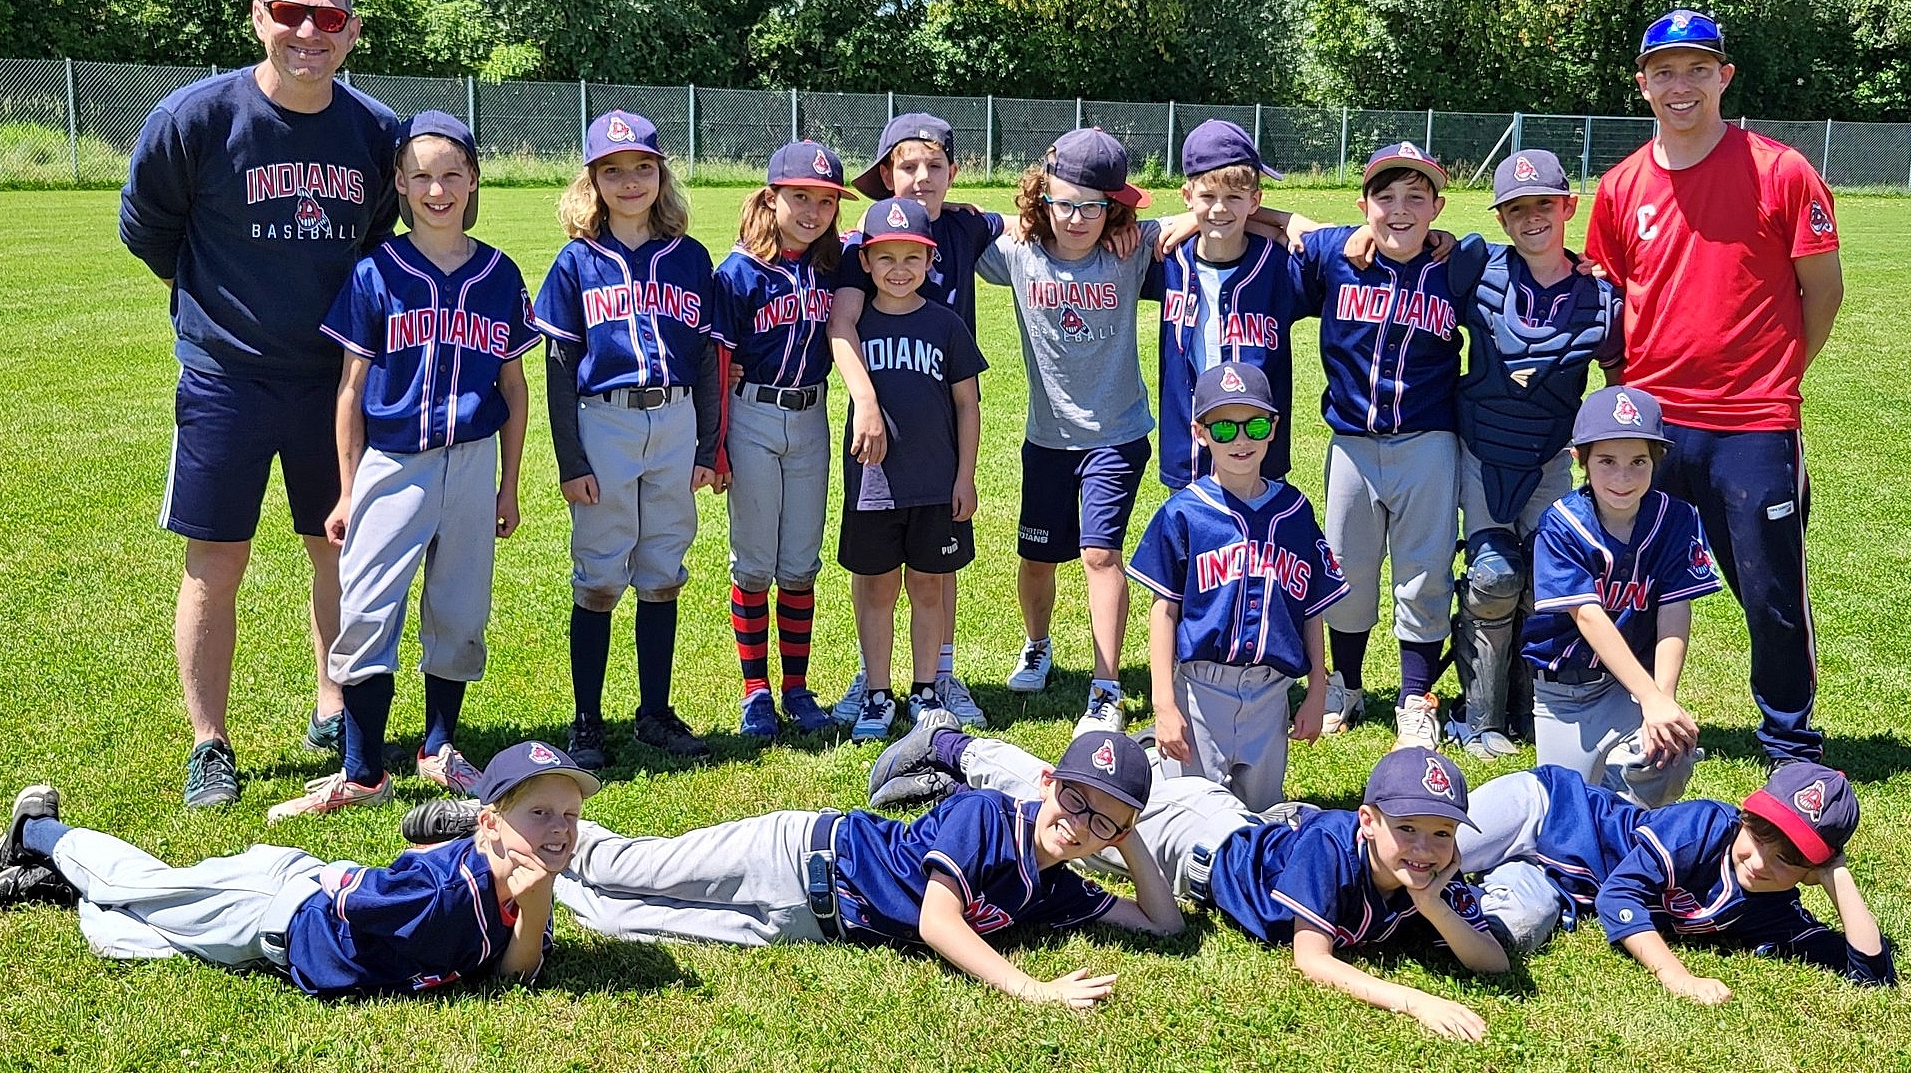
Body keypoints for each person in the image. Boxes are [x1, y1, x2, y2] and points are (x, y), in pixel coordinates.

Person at [118, 0, 399, 807]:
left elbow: (381, 241)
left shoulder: (376, 131)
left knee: (337, 545)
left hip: (333, 381)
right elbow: (149, 230)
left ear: (351, 33)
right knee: (216, 558)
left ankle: (332, 707)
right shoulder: (196, 117)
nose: (307, 30)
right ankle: (210, 743)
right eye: (289, 12)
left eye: (327, 18)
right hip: (226, 379)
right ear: (257, 17)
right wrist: (218, 311)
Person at [402, 731, 1185, 1008]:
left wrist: (1130, 842)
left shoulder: (1055, 886)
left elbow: (1162, 922)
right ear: (1046, 783)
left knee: (616, 916)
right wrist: (1033, 990)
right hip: (797, 854)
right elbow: (937, 921)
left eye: (1101, 822)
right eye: (1074, 799)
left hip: (803, 924)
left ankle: (500, 849)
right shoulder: (988, 817)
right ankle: (484, 805)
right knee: (624, 862)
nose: (1077, 825)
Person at [870, 726, 1508, 1041]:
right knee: (1064, 809)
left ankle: (1142, 765)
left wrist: (1432, 904)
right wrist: (1414, 1001)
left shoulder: (1424, 870)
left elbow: (1492, 962)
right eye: (1410, 830)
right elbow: (1313, 961)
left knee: (1093, 816)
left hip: (1225, 825)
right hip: (1195, 840)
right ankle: (954, 744)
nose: (1425, 849)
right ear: (1370, 822)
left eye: (1441, 834)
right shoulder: (1335, 847)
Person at [1585, 9, 1843, 765]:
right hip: (1651, 425)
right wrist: (1623, 394)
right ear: (1643, 85)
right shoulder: (1621, 185)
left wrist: (1780, 375)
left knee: (1770, 590)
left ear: (1724, 76)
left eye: (1698, 69)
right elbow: (1611, 299)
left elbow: (1823, 290)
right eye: (1664, 71)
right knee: (1631, 579)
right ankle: (1635, 716)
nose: (1682, 85)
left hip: (1752, 423)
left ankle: (1789, 742)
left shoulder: (1781, 171)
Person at [264, 112, 535, 822]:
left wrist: (508, 485)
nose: (437, 190)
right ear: (401, 184)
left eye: (451, 175)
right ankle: (362, 771)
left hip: (472, 459)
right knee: (366, 609)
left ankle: (439, 748)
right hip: (393, 461)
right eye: (421, 176)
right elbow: (350, 390)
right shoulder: (376, 272)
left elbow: (514, 388)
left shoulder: (499, 274)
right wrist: (347, 490)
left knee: (461, 611)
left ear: (472, 181)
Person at [0, 741, 596, 997]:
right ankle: (35, 831)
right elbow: (350, 889)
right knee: (135, 886)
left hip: (270, 944)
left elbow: (515, 974)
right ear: (489, 823)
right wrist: (323, 876)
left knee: (126, 937)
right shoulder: (437, 890)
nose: (560, 828)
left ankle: (52, 883)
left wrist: (535, 897)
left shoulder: (523, 883)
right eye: (540, 812)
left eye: (569, 814)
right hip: (271, 904)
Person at [532, 109, 722, 768]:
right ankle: (587, 720)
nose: (630, 181)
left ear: (661, 175)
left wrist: (706, 446)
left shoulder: (689, 258)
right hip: (604, 420)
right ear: (592, 182)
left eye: (643, 167)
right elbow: (559, 365)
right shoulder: (577, 261)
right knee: (599, 571)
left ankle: (655, 713)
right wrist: (571, 459)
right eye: (612, 171)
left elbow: (705, 358)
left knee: (663, 568)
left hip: (674, 417)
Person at [976, 128, 1162, 735]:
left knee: (1100, 553)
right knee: (1037, 557)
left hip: (1116, 433)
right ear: (1042, 198)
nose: (1077, 219)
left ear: (1114, 208)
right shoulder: (1017, 251)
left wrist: (1287, 220)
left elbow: (1209, 213)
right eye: (1064, 204)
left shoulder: (1129, 250)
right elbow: (945, 225)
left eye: (1093, 207)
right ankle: (1038, 645)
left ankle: (1106, 685)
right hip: (1047, 439)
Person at [1439, 149, 1625, 758]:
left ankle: (1531, 706)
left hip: (1549, 459)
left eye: (1544, 203)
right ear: (1501, 218)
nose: (1532, 217)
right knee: (1495, 576)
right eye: (1516, 209)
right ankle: (1478, 717)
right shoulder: (1476, 268)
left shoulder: (1601, 300)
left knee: (1546, 583)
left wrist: (1606, 456)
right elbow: (1404, 259)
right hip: (1480, 450)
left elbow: (1618, 386)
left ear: (1568, 206)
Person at [826, 113, 1000, 728]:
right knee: (876, 575)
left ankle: (937, 678)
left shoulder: (966, 225)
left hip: (939, 439)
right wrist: (867, 403)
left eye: (934, 165)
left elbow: (1037, 217)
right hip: (878, 443)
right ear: (886, 173)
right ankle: (874, 680)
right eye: (907, 166)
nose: (921, 176)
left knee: (933, 573)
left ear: (953, 171)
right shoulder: (861, 244)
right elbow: (841, 324)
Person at [1457, 762, 1893, 999]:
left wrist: (1837, 875)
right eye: (1758, 836)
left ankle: (1436, 900)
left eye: (1786, 859)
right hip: (1549, 808)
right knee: (1435, 853)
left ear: (1810, 872)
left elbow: (1871, 975)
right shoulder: (1705, 826)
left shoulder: (1773, 911)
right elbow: (1618, 897)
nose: (1760, 862)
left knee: (1509, 930)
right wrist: (1677, 977)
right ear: (1745, 817)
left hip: (1553, 882)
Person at [1294, 144, 1463, 752]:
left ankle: (1415, 696)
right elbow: (1279, 222)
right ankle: (1346, 684)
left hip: (1428, 441)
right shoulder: (1337, 253)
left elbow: (1527, 260)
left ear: (1437, 207)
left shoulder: (1457, 264)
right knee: (1346, 566)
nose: (1400, 210)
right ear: (1362, 205)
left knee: (1424, 570)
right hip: (1352, 444)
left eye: (1416, 197)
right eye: (1385, 197)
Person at [1126, 362, 1347, 809]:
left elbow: (1311, 611)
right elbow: (1163, 611)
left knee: (1261, 812)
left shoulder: (1295, 512)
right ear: (1200, 433)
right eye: (1224, 428)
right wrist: (1164, 704)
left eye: (1255, 426)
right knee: (1192, 811)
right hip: (1200, 689)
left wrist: (1317, 692)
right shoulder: (1184, 513)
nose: (1241, 441)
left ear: (1273, 429)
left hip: (1270, 693)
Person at [1524, 386, 1720, 808]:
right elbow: (1588, 616)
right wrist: (1651, 698)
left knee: (1671, 753)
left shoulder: (1676, 517)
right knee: (1564, 811)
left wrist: (1661, 699)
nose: (1622, 477)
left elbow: (1674, 609)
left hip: (1630, 688)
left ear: (1656, 460)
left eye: (1638, 462)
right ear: (1580, 459)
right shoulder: (1561, 523)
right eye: (1607, 461)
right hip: (1566, 694)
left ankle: (1630, 826)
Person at [712, 142, 850, 740]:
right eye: (800, 197)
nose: (813, 211)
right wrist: (716, 443)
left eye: (826, 201)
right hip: (752, 413)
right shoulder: (738, 272)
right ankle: (756, 691)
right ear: (772, 198)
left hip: (811, 417)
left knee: (798, 560)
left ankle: (796, 686)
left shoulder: (835, 263)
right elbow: (718, 359)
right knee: (754, 561)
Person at [1148, 121, 1307, 491]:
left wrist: (1285, 221)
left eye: (1235, 197)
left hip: (1258, 443)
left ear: (1255, 200)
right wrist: (1190, 219)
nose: (1220, 208)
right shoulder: (1166, 258)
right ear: (1187, 195)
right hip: (1188, 446)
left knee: (1261, 527)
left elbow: (1344, 245)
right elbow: (1103, 231)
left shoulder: (1280, 265)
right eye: (1207, 196)